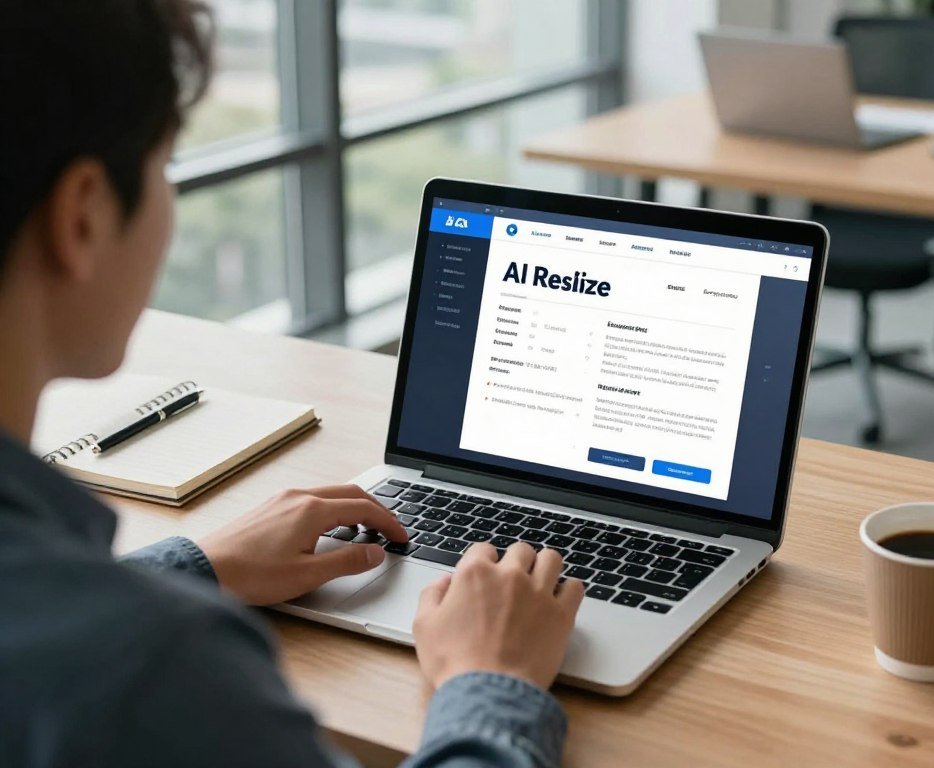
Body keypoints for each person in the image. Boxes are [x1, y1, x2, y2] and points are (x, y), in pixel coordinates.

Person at [0, 2, 585, 766]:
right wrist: (492, 681)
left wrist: (192, 567)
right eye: (164, 166)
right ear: (80, 216)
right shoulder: (154, 671)